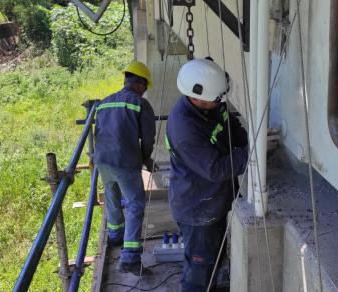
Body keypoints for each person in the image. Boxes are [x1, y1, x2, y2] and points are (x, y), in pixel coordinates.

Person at [165, 58, 249, 291]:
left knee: (215, 257)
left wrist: (249, 140)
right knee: (199, 273)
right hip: (197, 209)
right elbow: (215, 169)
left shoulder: (211, 101)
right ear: (196, 98)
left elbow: (229, 123)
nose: (221, 102)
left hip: (214, 201)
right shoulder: (185, 129)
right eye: (216, 100)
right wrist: (251, 154)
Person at [93, 61, 156, 275]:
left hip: (102, 159)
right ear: (139, 83)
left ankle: (115, 236)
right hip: (124, 162)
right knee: (135, 204)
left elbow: (98, 132)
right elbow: (148, 137)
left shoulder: (104, 102)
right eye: (145, 86)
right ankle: (129, 257)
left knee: (111, 196)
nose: (145, 91)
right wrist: (147, 158)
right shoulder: (140, 104)